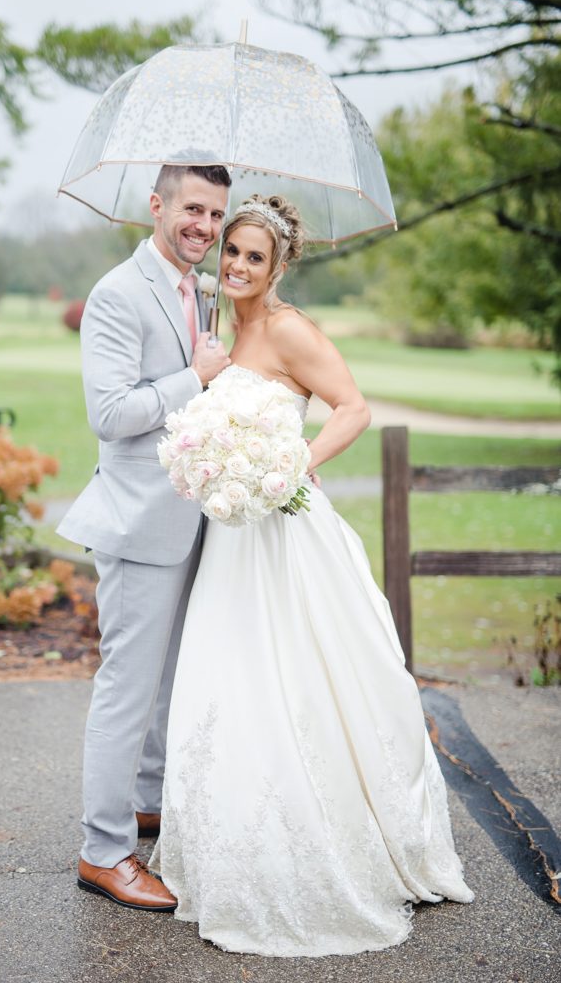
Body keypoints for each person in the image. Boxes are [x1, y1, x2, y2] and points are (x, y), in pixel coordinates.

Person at [150, 195, 474, 955]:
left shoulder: (289, 328)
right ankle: (230, 839)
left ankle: (329, 840)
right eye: (231, 251)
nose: (236, 265)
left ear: (278, 267)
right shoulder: (220, 325)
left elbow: (351, 408)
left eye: (253, 257)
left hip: (284, 537)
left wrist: (292, 461)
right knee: (230, 681)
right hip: (232, 541)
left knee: (295, 680)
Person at [56, 164, 231, 911]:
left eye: (216, 214)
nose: (205, 226)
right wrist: (196, 376)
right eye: (193, 208)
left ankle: (147, 805)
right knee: (126, 689)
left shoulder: (200, 291)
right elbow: (111, 414)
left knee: (168, 682)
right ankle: (103, 851)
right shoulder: (117, 293)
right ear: (156, 205)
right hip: (137, 522)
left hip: (193, 516)